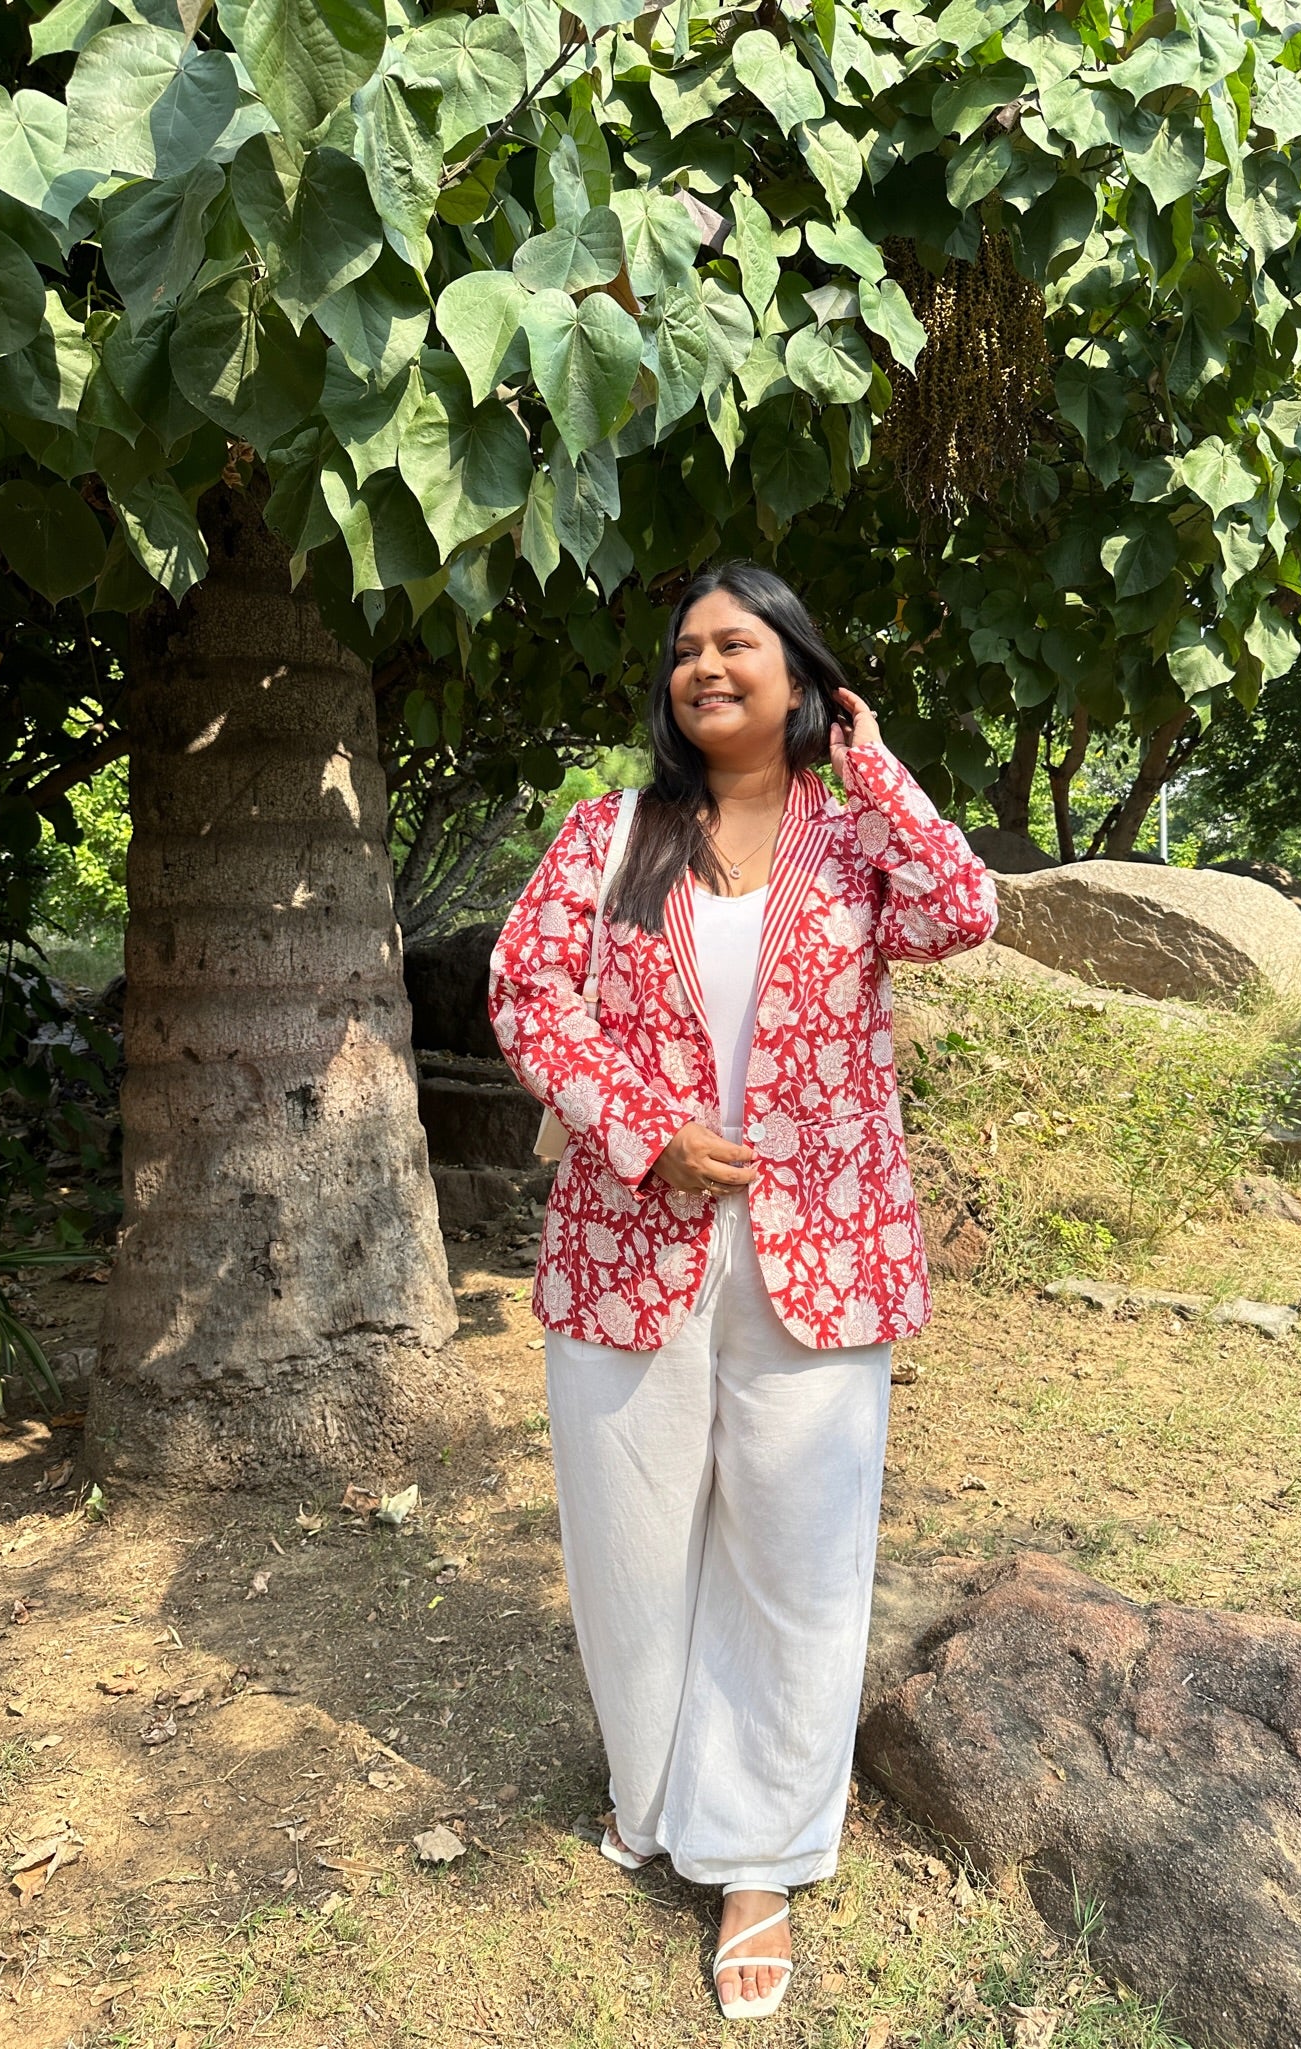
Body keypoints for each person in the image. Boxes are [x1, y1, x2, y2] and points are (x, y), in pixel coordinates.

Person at [488, 562, 997, 2019]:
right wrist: (643, 1135)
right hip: (624, 1236)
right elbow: (528, 993)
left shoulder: (859, 843)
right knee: (630, 1543)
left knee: (796, 1551)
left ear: (799, 670)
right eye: (685, 649)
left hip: (819, 1245)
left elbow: (966, 911)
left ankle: (763, 1852)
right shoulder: (613, 834)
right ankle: (655, 1798)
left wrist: (874, 758)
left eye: (739, 643)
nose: (705, 666)